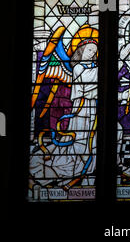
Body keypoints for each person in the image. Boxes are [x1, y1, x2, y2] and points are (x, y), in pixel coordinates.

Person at [30, 36, 98, 190]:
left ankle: (91, 164)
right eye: (89, 50)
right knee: (81, 140)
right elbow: (88, 84)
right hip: (81, 109)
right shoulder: (78, 68)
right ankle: (77, 165)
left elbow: (96, 88)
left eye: (94, 51)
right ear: (80, 51)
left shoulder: (93, 67)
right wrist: (119, 60)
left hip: (92, 107)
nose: (92, 53)